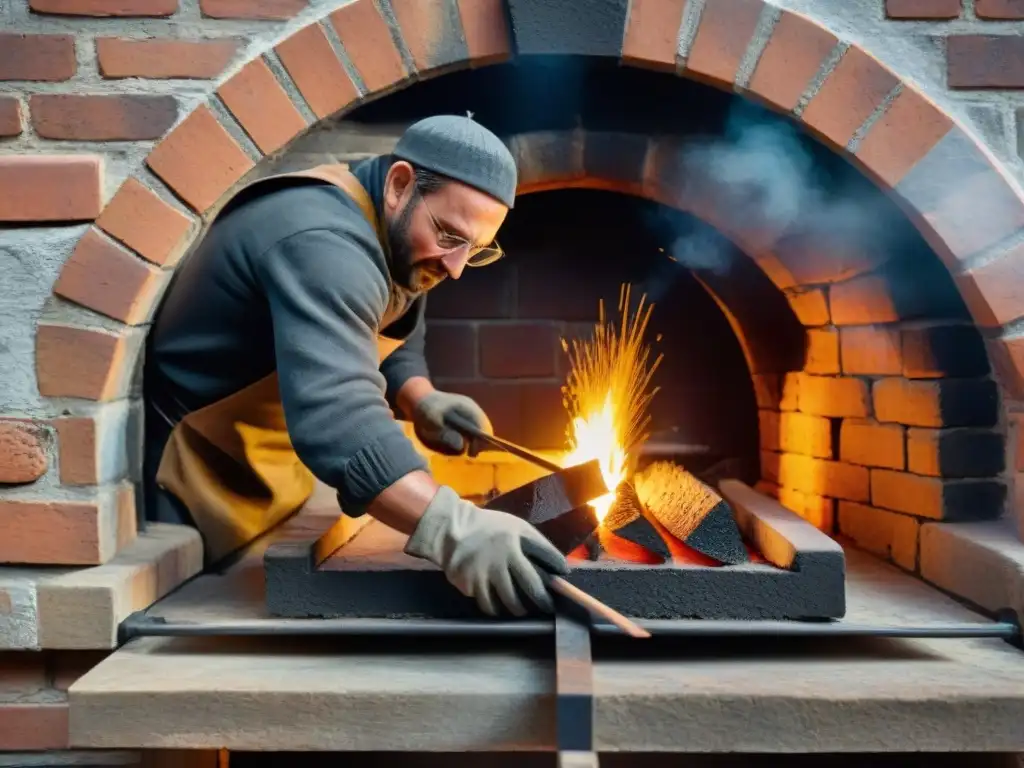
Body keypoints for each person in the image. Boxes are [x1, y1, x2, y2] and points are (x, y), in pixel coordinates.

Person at [142, 114, 568, 617]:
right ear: (400, 184)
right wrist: (456, 529)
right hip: (197, 492)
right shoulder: (322, 241)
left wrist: (420, 397)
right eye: (451, 236)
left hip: (273, 484)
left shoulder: (399, 238)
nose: (455, 269)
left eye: (475, 251)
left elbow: (392, 322)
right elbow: (339, 420)